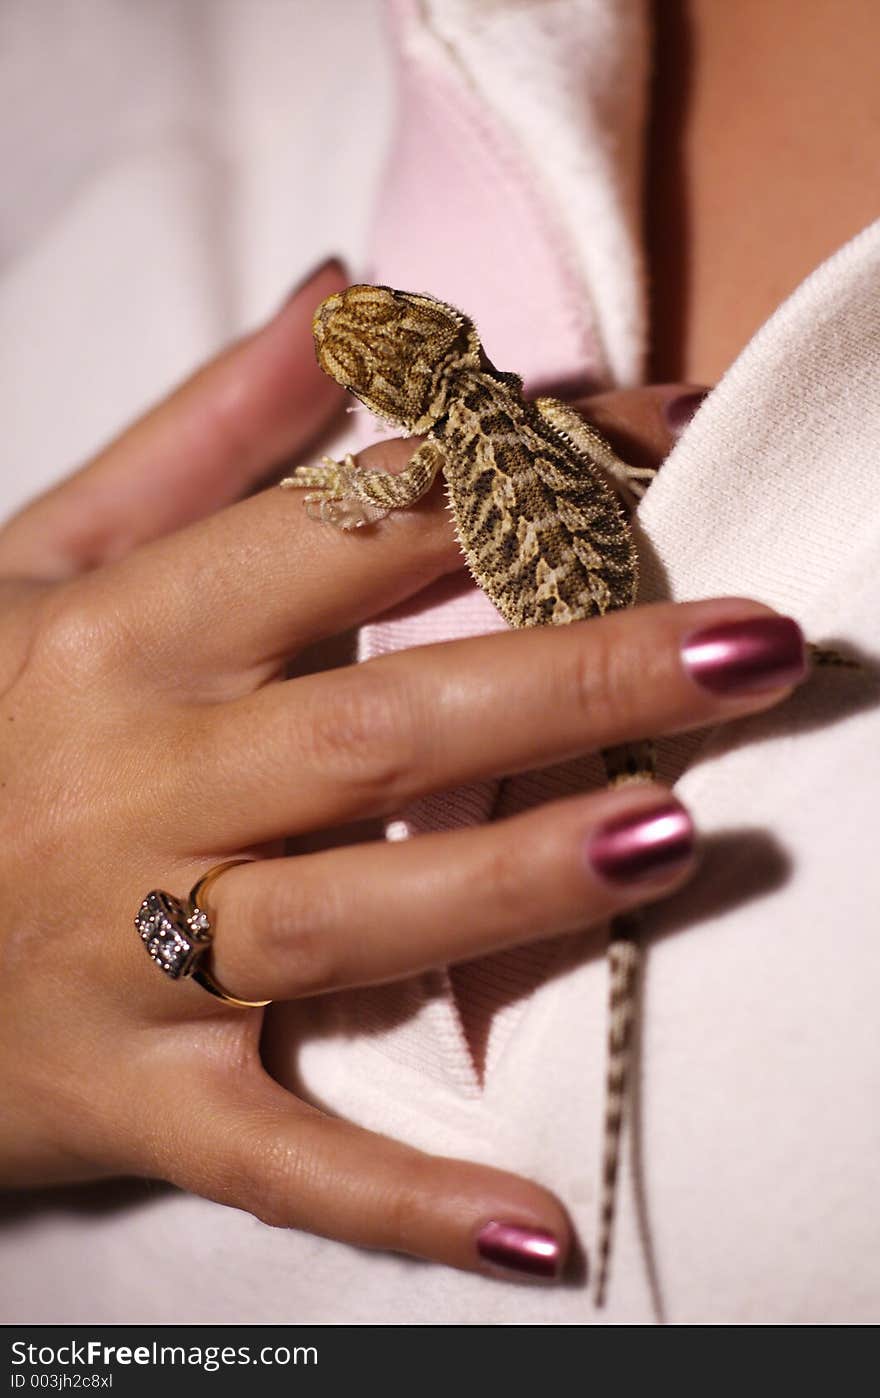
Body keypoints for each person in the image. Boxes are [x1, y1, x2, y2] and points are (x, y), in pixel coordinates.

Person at [1, 0, 878, 1324]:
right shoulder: (147, 79)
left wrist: (337, 495)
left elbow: (383, 500)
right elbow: (581, 460)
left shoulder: (434, 458)